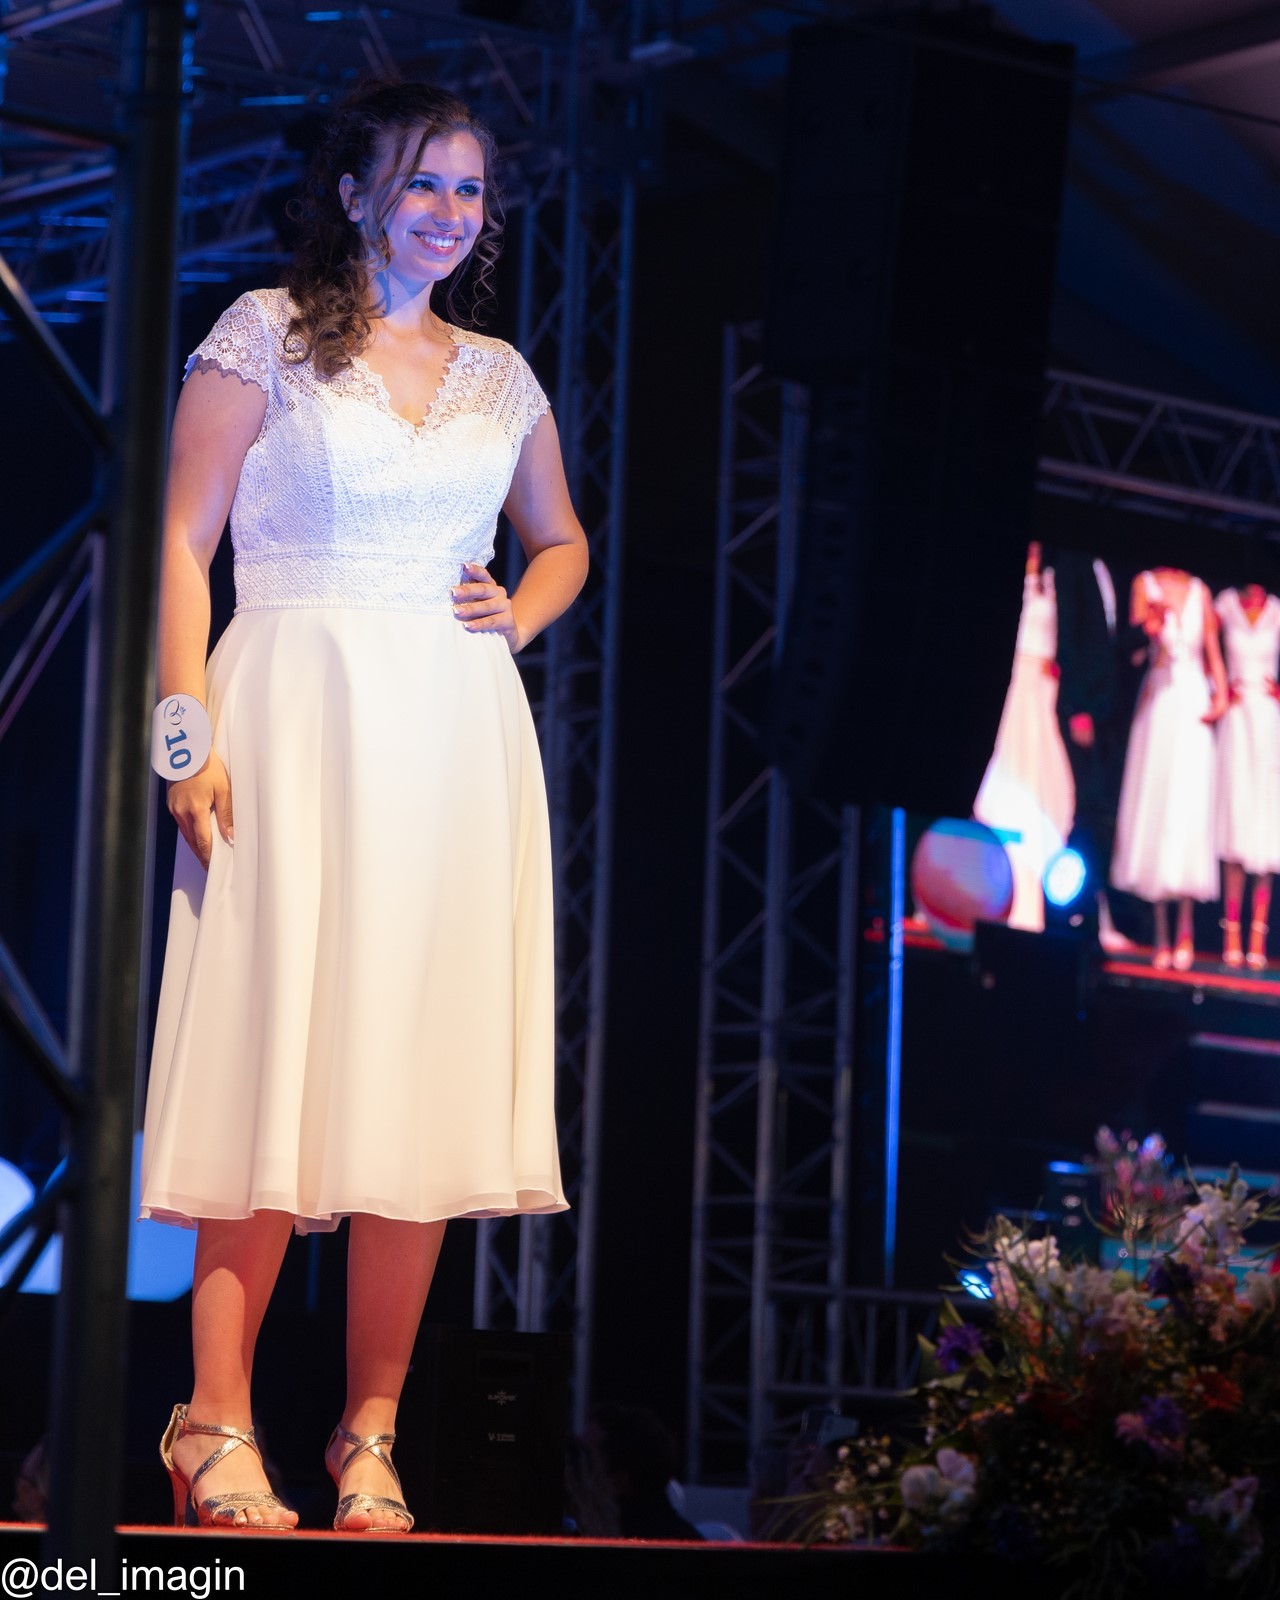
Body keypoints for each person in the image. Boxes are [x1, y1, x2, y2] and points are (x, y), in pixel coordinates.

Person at [140, 79, 588, 1532]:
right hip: (289, 712)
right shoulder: (262, 334)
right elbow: (180, 542)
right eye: (419, 183)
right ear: (352, 193)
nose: (448, 213)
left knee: (418, 1077)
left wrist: (519, 614)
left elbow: (563, 540)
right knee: (271, 1056)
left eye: (468, 189)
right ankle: (213, 1420)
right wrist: (183, 734)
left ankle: (368, 1435)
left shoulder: (500, 375)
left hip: (454, 741)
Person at [1110, 568, 1227, 969]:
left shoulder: (1199, 590)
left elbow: (1210, 651)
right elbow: (1134, 644)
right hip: (1160, 700)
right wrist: (1152, 626)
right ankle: (1161, 931)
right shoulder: (1144, 583)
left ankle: (1187, 928)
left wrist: (1221, 696)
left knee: (1188, 808)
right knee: (1158, 808)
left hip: (1191, 701)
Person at [973, 541, 1075, 932]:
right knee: (1002, 790)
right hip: (1011, 684)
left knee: (1043, 792)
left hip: (1041, 690)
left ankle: (1030, 901)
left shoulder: (1054, 581)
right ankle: (994, 894)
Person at [1051, 545, 1139, 952]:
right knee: (1087, 810)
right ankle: (1080, 913)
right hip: (1084, 707)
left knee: (1101, 813)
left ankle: (1096, 911)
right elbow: (1068, 637)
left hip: (1108, 711)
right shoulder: (1073, 564)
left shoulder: (1111, 568)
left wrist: (1143, 634)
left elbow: (1110, 641)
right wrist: (1078, 709)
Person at [1214, 583, 1280, 969]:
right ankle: (1231, 931)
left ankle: (1259, 934)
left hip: (1269, 722)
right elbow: (1200, 646)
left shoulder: (1276, 610)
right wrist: (1219, 687)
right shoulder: (1225, 605)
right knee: (1235, 824)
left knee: (1266, 830)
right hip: (1237, 721)